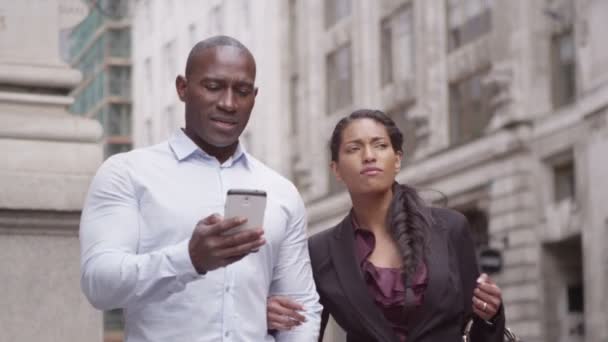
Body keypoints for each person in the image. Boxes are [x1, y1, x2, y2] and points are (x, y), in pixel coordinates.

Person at [79, 35, 322, 341]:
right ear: (183, 88)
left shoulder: (281, 191)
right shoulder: (127, 173)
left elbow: (300, 307)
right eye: (213, 87)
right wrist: (189, 258)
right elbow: (99, 284)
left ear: (254, 96)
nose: (228, 103)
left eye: (242, 91)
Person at [267, 109, 506, 341]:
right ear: (336, 170)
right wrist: (266, 319)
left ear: (397, 159)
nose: (369, 155)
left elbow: (477, 329)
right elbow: (302, 333)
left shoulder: (450, 228)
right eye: (354, 148)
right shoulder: (320, 251)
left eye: (380, 145)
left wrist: (490, 314)